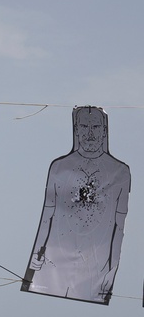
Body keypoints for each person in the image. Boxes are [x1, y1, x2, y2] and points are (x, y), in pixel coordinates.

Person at [22, 105, 130, 304]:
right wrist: (35, 259)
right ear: (76, 129)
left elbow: (119, 228)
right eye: (84, 127)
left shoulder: (120, 173)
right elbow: (47, 217)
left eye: (96, 127)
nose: (90, 134)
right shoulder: (59, 167)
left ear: (104, 130)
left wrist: (111, 271)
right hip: (54, 266)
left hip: (95, 268)